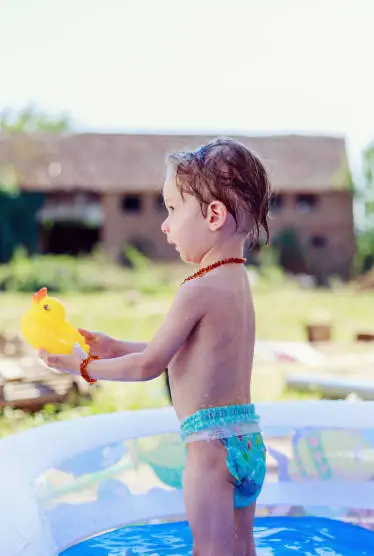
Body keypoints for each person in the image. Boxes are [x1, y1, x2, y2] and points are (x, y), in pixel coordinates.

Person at [39, 137, 272, 556]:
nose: (165, 224)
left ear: (214, 214)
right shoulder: (237, 282)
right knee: (242, 551)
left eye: (172, 208)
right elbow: (189, 353)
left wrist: (84, 368)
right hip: (247, 442)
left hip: (210, 451)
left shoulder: (196, 288)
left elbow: (150, 366)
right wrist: (115, 346)